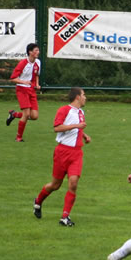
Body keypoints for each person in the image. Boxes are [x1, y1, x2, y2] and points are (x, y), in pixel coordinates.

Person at [32, 87, 91, 226]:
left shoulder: (81, 112)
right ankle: (38, 201)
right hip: (62, 152)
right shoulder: (64, 110)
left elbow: (76, 129)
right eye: (83, 95)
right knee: (55, 185)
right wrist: (76, 125)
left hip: (76, 153)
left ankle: (65, 217)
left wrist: (84, 135)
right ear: (77, 97)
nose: (85, 97)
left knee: (73, 183)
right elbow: (57, 128)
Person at [6, 43, 41, 142]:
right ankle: (18, 137)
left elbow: (36, 74)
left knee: (34, 116)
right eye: (36, 50)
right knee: (26, 114)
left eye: (38, 50)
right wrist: (24, 81)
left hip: (31, 90)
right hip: (22, 90)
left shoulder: (37, 62)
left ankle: (14, 114)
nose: (38, 52)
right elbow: (13, 78)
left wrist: (37, 84)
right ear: (30, 52)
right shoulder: (23, 63)